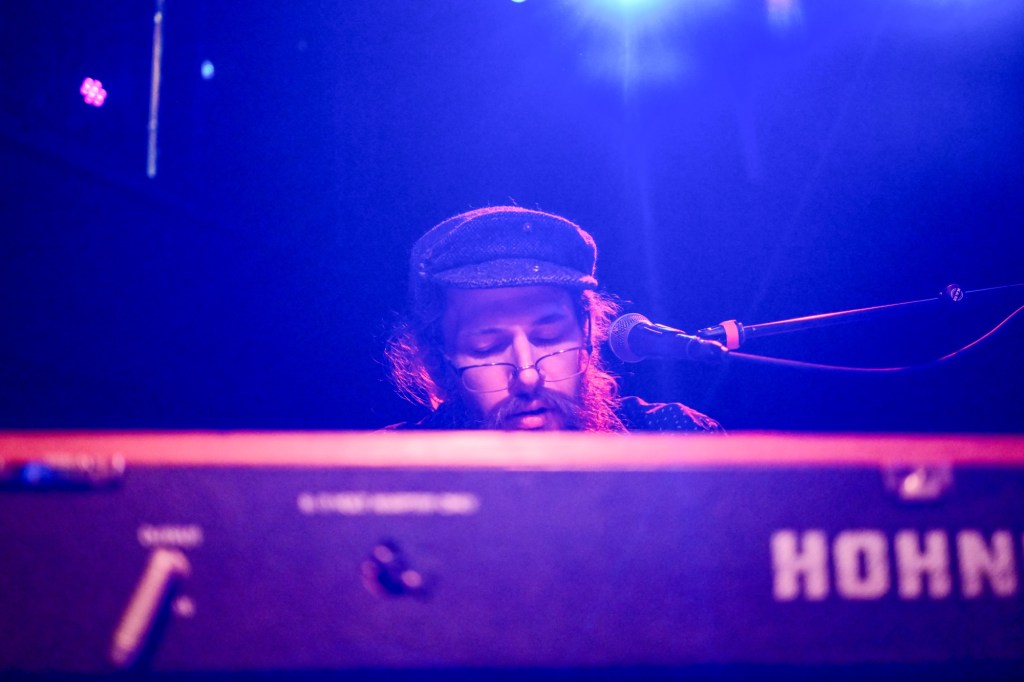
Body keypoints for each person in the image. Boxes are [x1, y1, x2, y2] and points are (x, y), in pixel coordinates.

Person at [385, 206, 722, 433]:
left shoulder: (673, 439)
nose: (528, 376)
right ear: (435, 363)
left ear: (586, 333)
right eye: (486, 347)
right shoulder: (390, 472)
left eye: (548, 337)